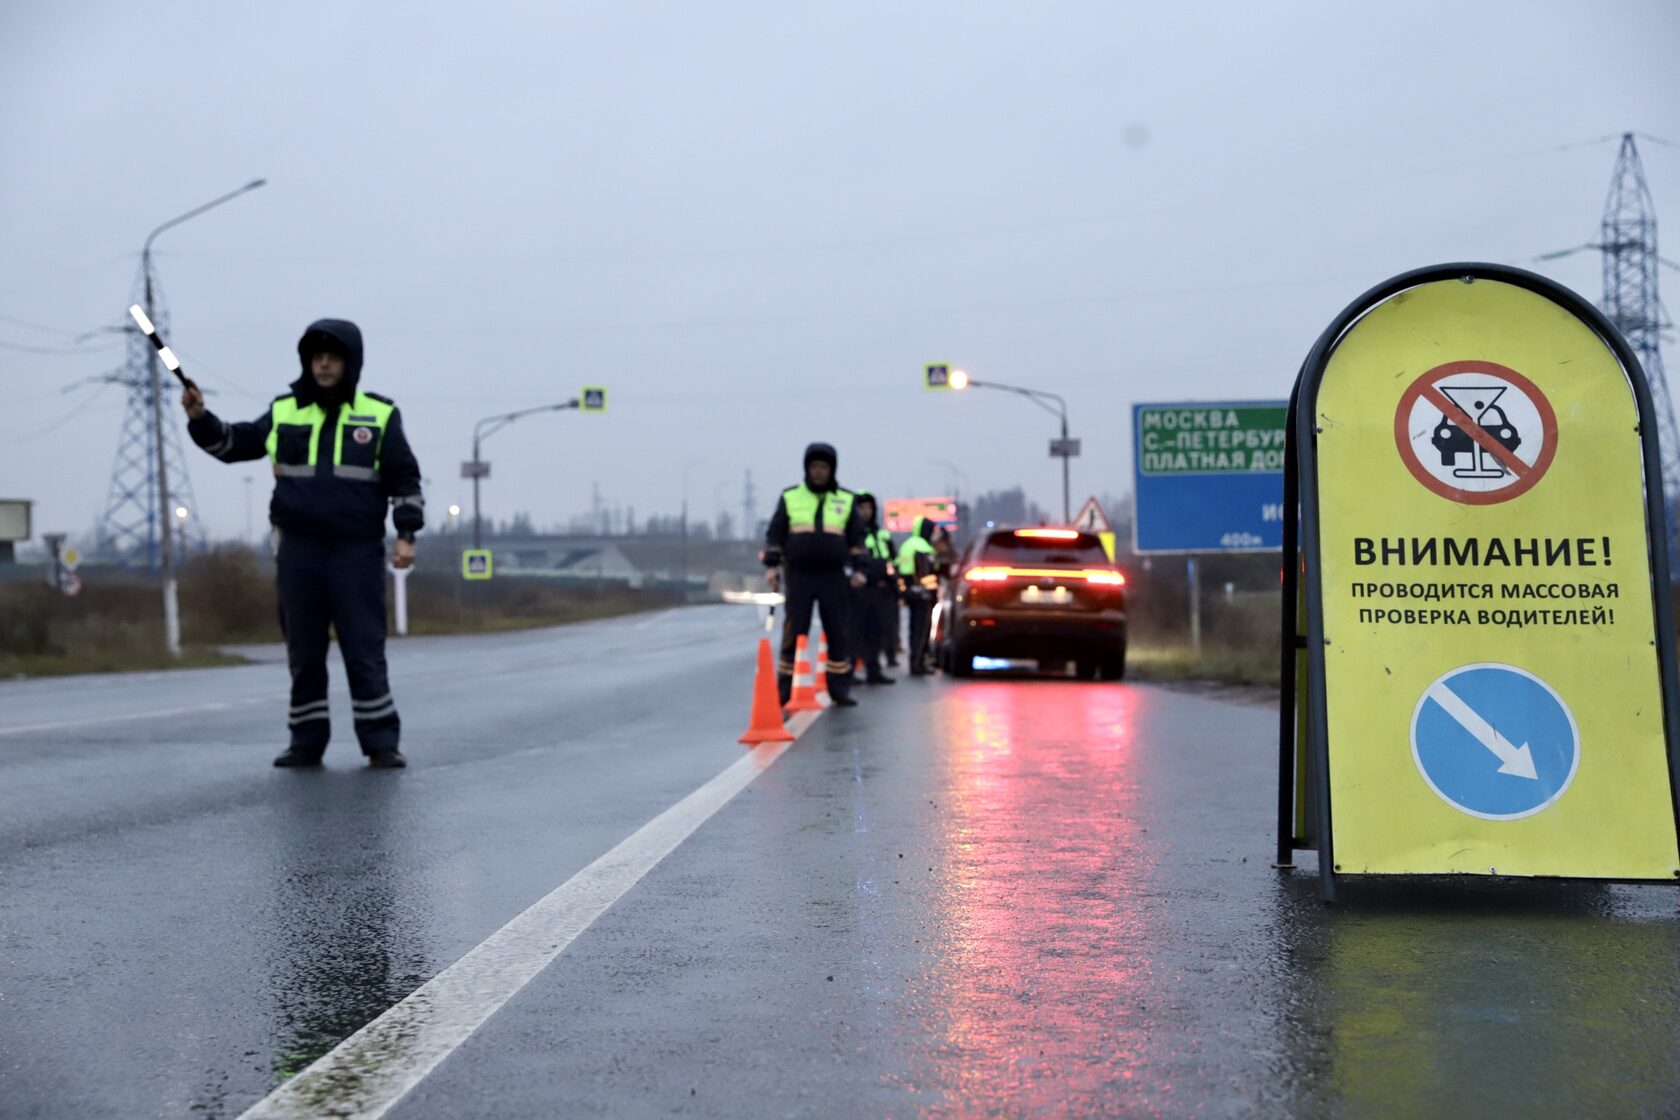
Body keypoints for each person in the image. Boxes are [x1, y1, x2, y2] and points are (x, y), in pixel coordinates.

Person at [182, 319, 423, 768]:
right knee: (304, 650)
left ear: (351, 363)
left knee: (363, 650)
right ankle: (306, 741)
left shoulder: (379, 415)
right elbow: (232, 444)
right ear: (307, 362)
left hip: (356, 552)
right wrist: (199, 417)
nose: (324, 363)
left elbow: (404, 479)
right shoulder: (284, 412)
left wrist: (407, 534)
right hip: (300, 552)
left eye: (332, 356)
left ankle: (380, 742)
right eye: (316, 356)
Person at [763, 443, 865, 707]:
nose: (818, 472)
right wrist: (772, 567)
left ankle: (839, 689)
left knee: (837, 631)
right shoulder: (790, 497)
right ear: (807, 469)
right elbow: (775, 534)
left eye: (823, 467)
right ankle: (784, 689)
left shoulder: (846, 499)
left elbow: (857, 540)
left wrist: (859, 570)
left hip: (833, 575)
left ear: (832, 470)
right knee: (795, 630)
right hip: (799, 574)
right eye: (814, 467)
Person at [851, 493, 896, 685]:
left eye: (869, 508)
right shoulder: (852, 534)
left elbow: (892, 560)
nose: (865, 512)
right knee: (854, 632)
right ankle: (849, 670)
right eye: (861, 508)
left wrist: (892, 581)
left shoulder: (881, 534)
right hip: (860, 590)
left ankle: (874, 670)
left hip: (880, 590)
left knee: (876, 631)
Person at [896, 516, 940, 675]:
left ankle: (915, 661)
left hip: (911, 592)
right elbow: (926, 574)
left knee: (914, 628)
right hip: (922, 595)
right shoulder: (923, 547)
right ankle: (918, 663)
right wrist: (931, 593)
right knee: (922, 630)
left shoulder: (907, 545)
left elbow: (901, 570)